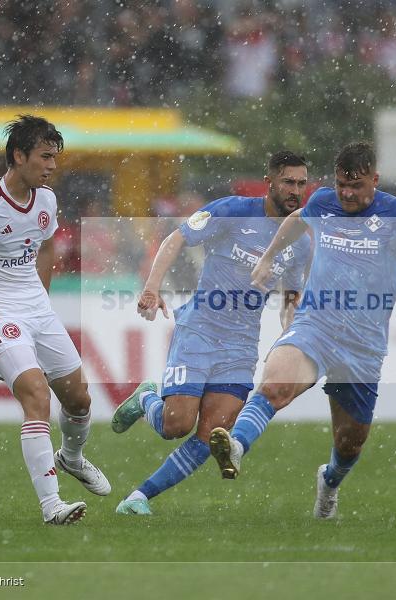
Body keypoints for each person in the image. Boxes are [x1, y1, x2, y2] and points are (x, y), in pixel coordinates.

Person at [207, 142, 396, 518]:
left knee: (349, 443)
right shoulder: (323, 202)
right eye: (342, 184)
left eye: (357, 186)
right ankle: (236, 446)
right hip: (317, 324)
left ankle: (329, 482)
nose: (346, 193)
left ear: (374, 181)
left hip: (363, 344)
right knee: (276, 384)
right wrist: (268, 257)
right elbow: (298, 218)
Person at [111, 151, 312, 515]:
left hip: (241, 346)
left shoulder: (299, 241)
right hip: (199, 331)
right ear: (271, 183)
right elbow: (176, 238)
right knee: (176, 425)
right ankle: (146, 399)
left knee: (210, 436)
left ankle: (138, 498)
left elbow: (291, 297)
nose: (296, 190)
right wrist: (152, 288)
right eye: (288, 182)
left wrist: (289, 339)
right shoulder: (232, 210)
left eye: (302, 183)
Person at [0, 115, 110, 525]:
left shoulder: (46, 199)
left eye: (55, 158)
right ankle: (52, 506)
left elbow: (46, 246)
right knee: (36, 396)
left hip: (37, 311)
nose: (52, 166)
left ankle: (73, 457)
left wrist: (41, 301)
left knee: (80, 400)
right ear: (18, 155)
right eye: (45, 157)